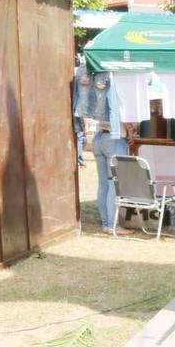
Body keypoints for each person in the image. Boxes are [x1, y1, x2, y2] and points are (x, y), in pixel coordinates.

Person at [73, 67, 125, 235]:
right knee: (113, 183)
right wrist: (130, 129)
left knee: (103, 183)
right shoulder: (117, 81)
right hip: (114, 138)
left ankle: (105, 224)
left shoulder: (94, 77)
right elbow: (123, 114)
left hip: (98, 137)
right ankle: (112, 226)